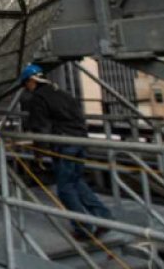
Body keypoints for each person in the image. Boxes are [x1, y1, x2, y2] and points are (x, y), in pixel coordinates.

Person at [21, 63, 113, 240]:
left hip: (64, 145)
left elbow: (41, 127)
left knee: (65, 189)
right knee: (76, 181)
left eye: (26, 84)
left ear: (32, 81)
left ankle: (83, 228)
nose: (27, 88)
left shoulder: (39, 98)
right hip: (79, 140)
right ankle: (103, 216)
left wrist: (39, 152)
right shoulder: (61, 93)